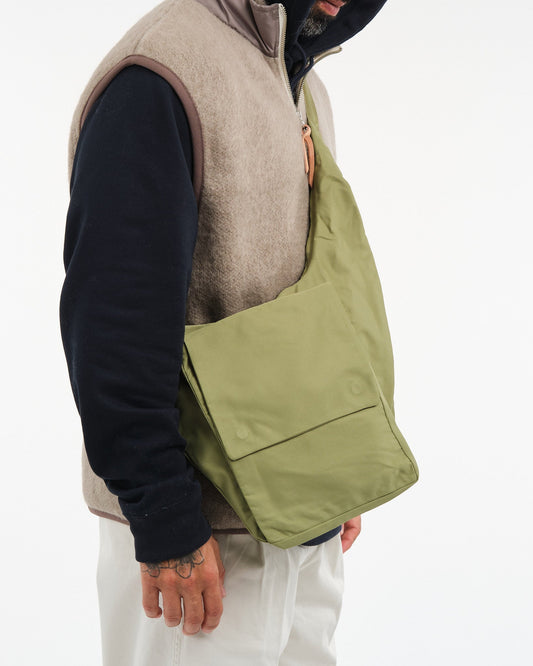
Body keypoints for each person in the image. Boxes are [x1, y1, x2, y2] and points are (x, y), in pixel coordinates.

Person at [60, 0, 389, 663]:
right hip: (202, 537)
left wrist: (339, 461)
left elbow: (311, 286)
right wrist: (163, 517)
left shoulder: (297, 79)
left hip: (303, 513)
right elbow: (114, 317)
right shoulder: (159, 73)